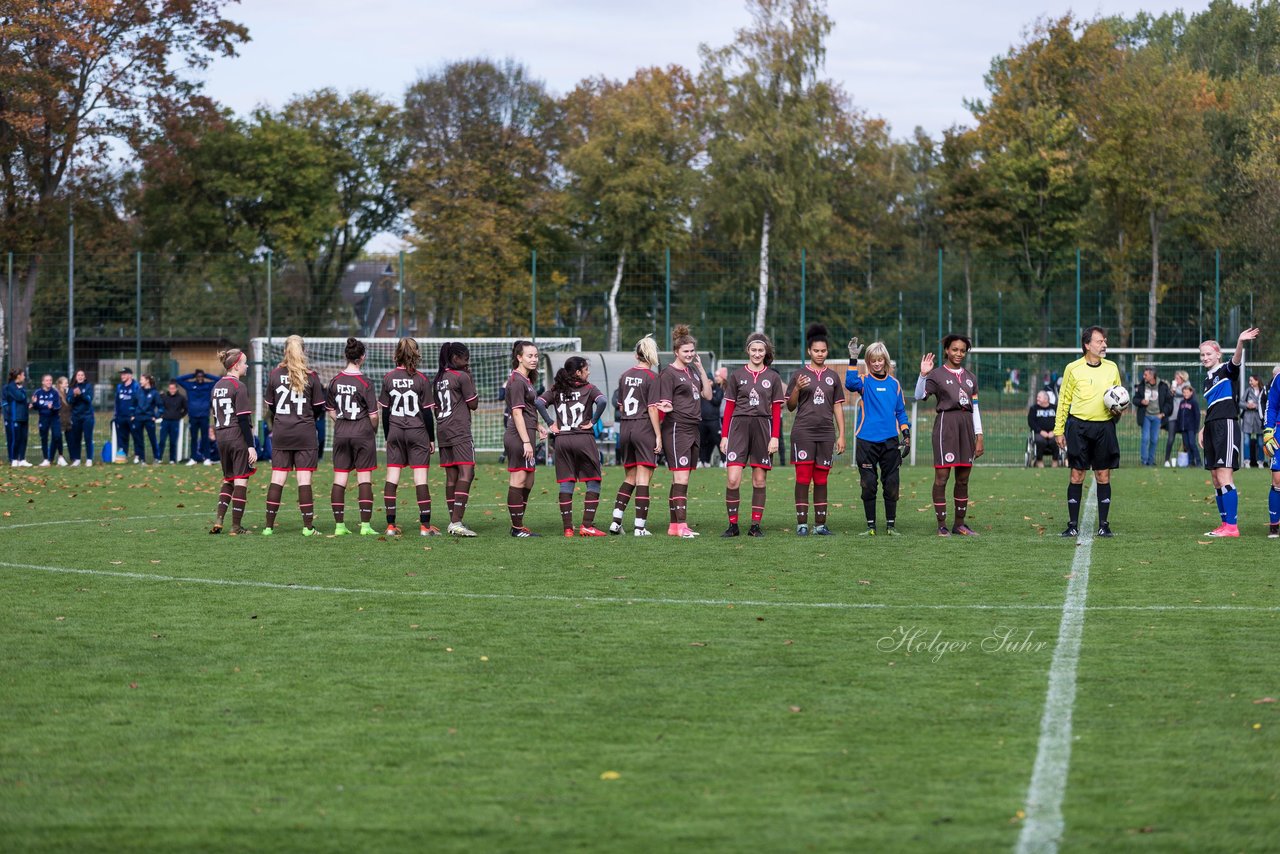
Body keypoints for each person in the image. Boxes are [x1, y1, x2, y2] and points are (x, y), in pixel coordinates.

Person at [1053, 326, 1123, 539]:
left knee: (1103, 475)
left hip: (1104, 427)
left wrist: (1118, 410)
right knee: (1077, 474)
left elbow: (1119, 398)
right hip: (1078, 427)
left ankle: (1104, 525)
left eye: (1105, 341)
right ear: (1087, 345)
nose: (1104, 345)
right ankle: (1072, 525)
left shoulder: (1112, 368)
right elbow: (1064, 400)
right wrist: (1059, 429)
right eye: (1100, 341)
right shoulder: (1073, 368)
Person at [915, 334, 983, 536]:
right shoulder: (936, 375)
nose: (959, 353)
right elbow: (920, 397)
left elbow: (976, 408)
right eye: (955, 349)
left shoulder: (971, 377)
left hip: (967, 427)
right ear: (946, 350)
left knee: (963, 479)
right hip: (946, 426)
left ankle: (960, 524)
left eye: (962, 350)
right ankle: (942, 525)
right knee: (942, 478)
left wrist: (979, 435)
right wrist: (922, 375)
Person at [1197, 328, 1261, 537]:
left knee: (1225, 475)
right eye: (1202, 354)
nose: (1205, 357)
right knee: (1216, 477)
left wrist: (1240, 342)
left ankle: (1232, 527)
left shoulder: (1226, 370)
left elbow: (1235, 361)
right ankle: (1224, 524)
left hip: (1226, 425)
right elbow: (1214, 405)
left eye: (1209, 354)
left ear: (1218, 354)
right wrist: (1204, 427)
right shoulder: (1207, 379)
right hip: (1212, 426)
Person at [720, 333, 785, 537]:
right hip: (738, 427)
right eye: (754, 350)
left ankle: (755, 526)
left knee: (759, 480)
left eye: (761, 350)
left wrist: (774, 437)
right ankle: (733, 525)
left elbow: (776, 410)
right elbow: (729, 408)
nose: (757, 354)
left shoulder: (773, 377)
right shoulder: (737, 375)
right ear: (748, 350)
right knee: (733, 479)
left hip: (763, 427)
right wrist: (724, 436)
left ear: (766, 352)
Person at [262, 335, 327, 537]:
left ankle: (268, 527)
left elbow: (270, 406)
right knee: (304, 480)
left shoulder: (274, 374)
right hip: (305, 433)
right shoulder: (312, 376)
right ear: (304, 351)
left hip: (282, 432)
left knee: (278, 478)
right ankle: (308, 527)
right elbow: (319, 408)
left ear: (284, 351)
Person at [786, 324, 848, 536]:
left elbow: (837, 406)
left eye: (823, 351)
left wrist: (841, 435)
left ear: (827, 351)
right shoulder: (800, 375)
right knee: (803, 478)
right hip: (803, 432)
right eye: (816, 351)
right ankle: (802, 524)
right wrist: (796, 389)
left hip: (826, 434)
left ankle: (820, 525)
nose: (820, 354)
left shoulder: (833, 376)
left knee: (821, 479)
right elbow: (790, 406)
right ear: (809, 352)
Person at [538, 356, 608, 537]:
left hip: (562, 440)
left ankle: (568, 528)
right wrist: (593, 421)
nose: (589, 372)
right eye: (586, 369)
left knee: (566, 482)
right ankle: (586, 525)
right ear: (578, 372)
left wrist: (550, 422)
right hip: (583, 438)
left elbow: (539, 402)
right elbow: (602, 401)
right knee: (593, 481)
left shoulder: (557, 388)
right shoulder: (589, 388)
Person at [847, 339, 909, 535]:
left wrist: (906, 434)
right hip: (866, 440)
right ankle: (871, 526)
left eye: (880, 360)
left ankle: (891, 526)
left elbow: (900, 412)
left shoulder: (895, 385)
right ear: (868, 361)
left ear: (885, 361)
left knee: (891, 485)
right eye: (872, 360)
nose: (876, 363)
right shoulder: (864, 382)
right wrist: (853, 359)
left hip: (890, 441)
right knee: (868, 485)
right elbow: (849, 383)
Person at [656, 325, 714, 538]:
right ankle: (682, 526)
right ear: (676, 352)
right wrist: (667, 407)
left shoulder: (692, 372)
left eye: (692, 351)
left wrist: (700, 370)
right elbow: (663, 402)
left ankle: (674, 526)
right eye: (685, 351)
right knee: (681, 478)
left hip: (693, 428)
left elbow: (707, 395)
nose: (689, 354)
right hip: (677, 428)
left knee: (681, 478)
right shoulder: (668, 373)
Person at [380, 336, 438, 537]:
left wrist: (388, 436)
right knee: (420, 478)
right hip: (417, 431)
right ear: (416, 354)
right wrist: (431, 438)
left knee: (392, 477)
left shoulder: (388, 377)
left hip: (395, 431)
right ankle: (425, 527)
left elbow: (385, 412)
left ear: (397, 353)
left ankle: (390, 526)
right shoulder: (421, 379)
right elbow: (427, 414)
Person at [608, 334, 663, 536]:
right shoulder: (653, 377)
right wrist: (658, 435)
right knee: (643, 477)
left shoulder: (624, 375)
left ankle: (616, 521)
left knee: (630, 476)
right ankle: (640, 527)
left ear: (636, 355)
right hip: (643, 428)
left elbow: (621, 405)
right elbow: (652, 409)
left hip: (625, 428)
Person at [327, 337, 380, 536]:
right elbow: (374, 416)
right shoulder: (365, 382)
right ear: (362, 357)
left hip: (341, 431)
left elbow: (331, 410)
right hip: (362, 431)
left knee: (340, 477)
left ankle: (339, 526)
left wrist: (341, 423)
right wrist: (371, 429)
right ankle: (365, 526)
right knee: (364, 477)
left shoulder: (335, 380)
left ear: (346, 356)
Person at [504, 339, 550, 537]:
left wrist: (538, 426)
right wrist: (525, 441)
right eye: (530, 356)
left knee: (529, 481)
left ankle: (519, 524)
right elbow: (516, 413)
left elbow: (528, 411)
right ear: (519, 357)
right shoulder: (516, 380)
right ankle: (516, 529)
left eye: (536, 356)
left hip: (528, 433)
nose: (534, 359)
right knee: (519, 478)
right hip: (517, 436)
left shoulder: (527, 380)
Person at [209, 348, 257, 535]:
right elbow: (243, 419)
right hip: (237, 436)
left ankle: (219, 519)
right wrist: (251, 446)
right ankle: (236, 526)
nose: (246, 366)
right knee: (241, 480)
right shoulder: (239, 387)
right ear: (236, 366)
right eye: (245, 363)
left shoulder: (217, 386)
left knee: (228, 479)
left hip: (222, 437)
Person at [434, 342, 480, 537]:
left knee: (452, 475)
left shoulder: (439, 378)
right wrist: (470, 378)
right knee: (467, 472)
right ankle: (456, 521)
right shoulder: (462, 376)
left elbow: (435, 407)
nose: (467, 362)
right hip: (459, 429)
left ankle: (454, 519)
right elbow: (474, 404)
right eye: (465, 358)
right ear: (455, 359)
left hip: (443, 429)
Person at [1133, 368, 1172, 467]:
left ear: (1152, 375)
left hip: (1157, 416)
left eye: (1146, 375)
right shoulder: (1142, 386)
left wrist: (1163, 413)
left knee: (1154, 439)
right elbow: (1135, 399)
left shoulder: (1163, 386)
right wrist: (1141, 401)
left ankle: (1151, 461)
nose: (1144, 376)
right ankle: (1144, 461)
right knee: (1145, 438)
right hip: (1146, 416)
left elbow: (1169, 402)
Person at [176, 368, 216, 465]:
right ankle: (193, 458)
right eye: (198, 376)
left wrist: (206, 375)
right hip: (193, 416)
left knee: (205, 437)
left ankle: (207, 458)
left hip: (204, 415)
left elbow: (219, 380)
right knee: (193, 438)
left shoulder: (207, 385)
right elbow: (178, 379)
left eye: (201, 376)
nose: (200, 378)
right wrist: (192, 375)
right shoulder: (190, 385)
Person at [32, 374, 66, 467]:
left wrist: (52, 408)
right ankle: (46, 459)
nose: (49, 382)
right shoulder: (38, 393)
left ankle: (60, 457)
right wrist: (34, 403)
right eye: (47, 380)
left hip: (54, 418)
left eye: (50, 380)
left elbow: (58, 406)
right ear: (43, 382)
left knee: (57, 436)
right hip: (43, 418)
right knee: (44, 438)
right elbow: (36, 407)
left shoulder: (55, 393)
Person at [1263, 365, 1280, 538]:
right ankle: (1274, 525)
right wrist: (1268, 431)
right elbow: (1272, 406)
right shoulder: (1279, 379)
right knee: (1277, 479)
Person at [1164, 369, 1192, 466]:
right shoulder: (1173, 388)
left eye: (1177, 378)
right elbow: (1168, 398)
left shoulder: (1188, 387)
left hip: (1183, 418)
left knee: (1186, 440)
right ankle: (1166, 460)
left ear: (1183, 378)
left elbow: (1185, 395)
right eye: (1175, 378)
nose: (1175, 380)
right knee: (1171, 439)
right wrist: (1171, 392)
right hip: (1173, 416)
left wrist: (1175, 392)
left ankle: (1188, 460)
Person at [698, 366, 725, 468]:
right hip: (702, 420)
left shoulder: (718, 390)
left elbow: (717, 401)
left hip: (714, 420)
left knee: (718, 440)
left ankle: (724, 460)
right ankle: (703, 461)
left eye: (709, 380)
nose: (708, 382)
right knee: (702, 442)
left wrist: (708, 394)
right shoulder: (701, 390)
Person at [67, 369, 94, 467]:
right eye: (78, 375)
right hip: (76, 417)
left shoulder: (88, 386)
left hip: (87, 416)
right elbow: (69, 400)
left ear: (85, 377)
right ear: (75, 377)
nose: (80, 376)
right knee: (76, 439)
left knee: (88, 438)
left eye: (82, 375)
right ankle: (77, 459)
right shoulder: (72, 388)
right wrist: (74, 395)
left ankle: (89, 459)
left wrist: (81, 394)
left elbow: (89, 399)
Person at [131, 374, 160, 464]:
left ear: (147, 380)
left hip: (149, 419)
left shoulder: (154, 393)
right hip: (138, 418)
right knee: (139, 440)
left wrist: (156, 416)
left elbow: (161, 406)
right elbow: (133, 404)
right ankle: (142, 460)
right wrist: (133, 415)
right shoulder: (138, 391)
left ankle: (157, 458)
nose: (140, 381)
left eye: (142, 379)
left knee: (152, 439)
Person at [3, 370, 30, 466]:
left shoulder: (21, 387)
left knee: (24, 438)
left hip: (24, 416)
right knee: (16, 438)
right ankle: (14, 459)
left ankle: (22, 459)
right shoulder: (10, 387)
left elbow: (24, 400)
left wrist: (29, 404)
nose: (24, 377)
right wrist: (21, 390)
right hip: (15, 417)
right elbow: (20, 397)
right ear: (18, 376)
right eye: (23, 375)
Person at [113, 367, 140, 463]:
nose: (122, 376)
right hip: (121, 417)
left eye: (124, 374)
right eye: (121, 374)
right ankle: (123, 455)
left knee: (136, 436)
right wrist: (116, 415)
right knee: (122, 437)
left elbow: (139, 401)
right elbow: (117, 401)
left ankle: (137, 455)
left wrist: (135, 414)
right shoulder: (119, 387)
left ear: (130, 375)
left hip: (132, 417)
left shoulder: (136, 386)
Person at [157, 380, 188, 463]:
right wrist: (161, 414)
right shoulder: (164, 397)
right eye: (170, 388)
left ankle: (172, 459)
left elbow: (186, 409)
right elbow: (160, 407)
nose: (172, 390)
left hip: (175, 422)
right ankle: (159, 458)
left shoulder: (181, 398)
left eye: (173, 388)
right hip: (165, 421)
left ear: (176, 389)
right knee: (162, 440)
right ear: (168, 389)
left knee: (173, 441)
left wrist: (180, 416)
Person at [1027, 390, 1059, 467]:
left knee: (1056, 440)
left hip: (1053, 432)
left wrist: (1054, 431)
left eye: (1039, 397)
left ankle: (1055, 460)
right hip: (1039, 433)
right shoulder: (1033, 409)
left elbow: (1061, 420)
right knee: (1040, 441)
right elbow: (1031, 422)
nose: (1037, 399)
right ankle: (1039, 460)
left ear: (1046, 399)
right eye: (1037, 397)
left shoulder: (1055, 408)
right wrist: (1041, 431)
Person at [1174, 384, 1201, 467]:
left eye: (1187, 392)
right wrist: (1179, 426)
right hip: (1183, 428)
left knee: (1192, 444)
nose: (1185, 394)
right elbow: (1179, 415)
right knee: (1187, 445)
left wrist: (1196, 428)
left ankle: (1199, 461)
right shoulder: (1182, 402)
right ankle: (1190, 462)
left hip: (1191, 428)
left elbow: (1197, 415)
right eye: (1184, 392)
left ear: (1191, 392)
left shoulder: (1194, 402)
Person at [1242, 374, 1265, 468]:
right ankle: (1247, 461)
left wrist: (1257, 406)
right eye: (1249, 380)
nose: (1250, 382)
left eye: (1251, 380)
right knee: (1246, 441)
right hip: (1248, 419)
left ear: (1257, 381)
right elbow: (1241, 402)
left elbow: (1265, 403)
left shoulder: (1263, 391)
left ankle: (1261, 461)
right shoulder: (1248, 391)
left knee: (1260, 442)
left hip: (1259, 420)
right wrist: (1247, 405)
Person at [56, 376, 72, 463]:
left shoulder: (67, 394)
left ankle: (72, 457)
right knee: (57, 439)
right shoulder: (57, 394)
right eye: (65, 383)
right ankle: (55, 457)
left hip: (67, 420)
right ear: (60, 384)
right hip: (59, 419)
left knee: (70, 438)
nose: (67, 384)